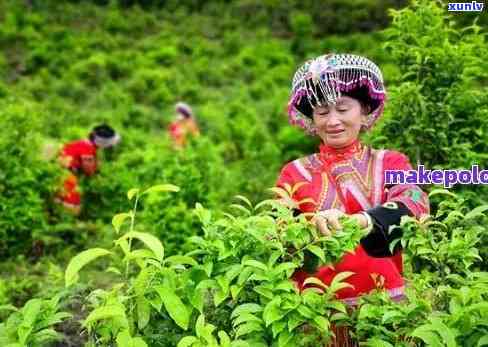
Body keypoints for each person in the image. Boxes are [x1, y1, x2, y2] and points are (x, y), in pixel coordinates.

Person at [276, 53, 430, 345]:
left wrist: (361, 220)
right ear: (312, 119)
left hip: (385, 312)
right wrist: (308, 227)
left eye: (343, 108)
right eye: (322, 112)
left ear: (365, 110)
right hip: (318, 316)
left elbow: (413, 203)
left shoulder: (391, 163)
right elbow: (276, 236)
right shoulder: (294, 173)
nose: (333, 121)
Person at [56, 124, 121, 214]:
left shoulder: (85, 144)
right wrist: (98, 175)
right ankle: (66, 220)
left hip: (60, 172)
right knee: (72, 202)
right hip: (66, 174)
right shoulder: (87, 149)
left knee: (61, 199)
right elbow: (88, 169)